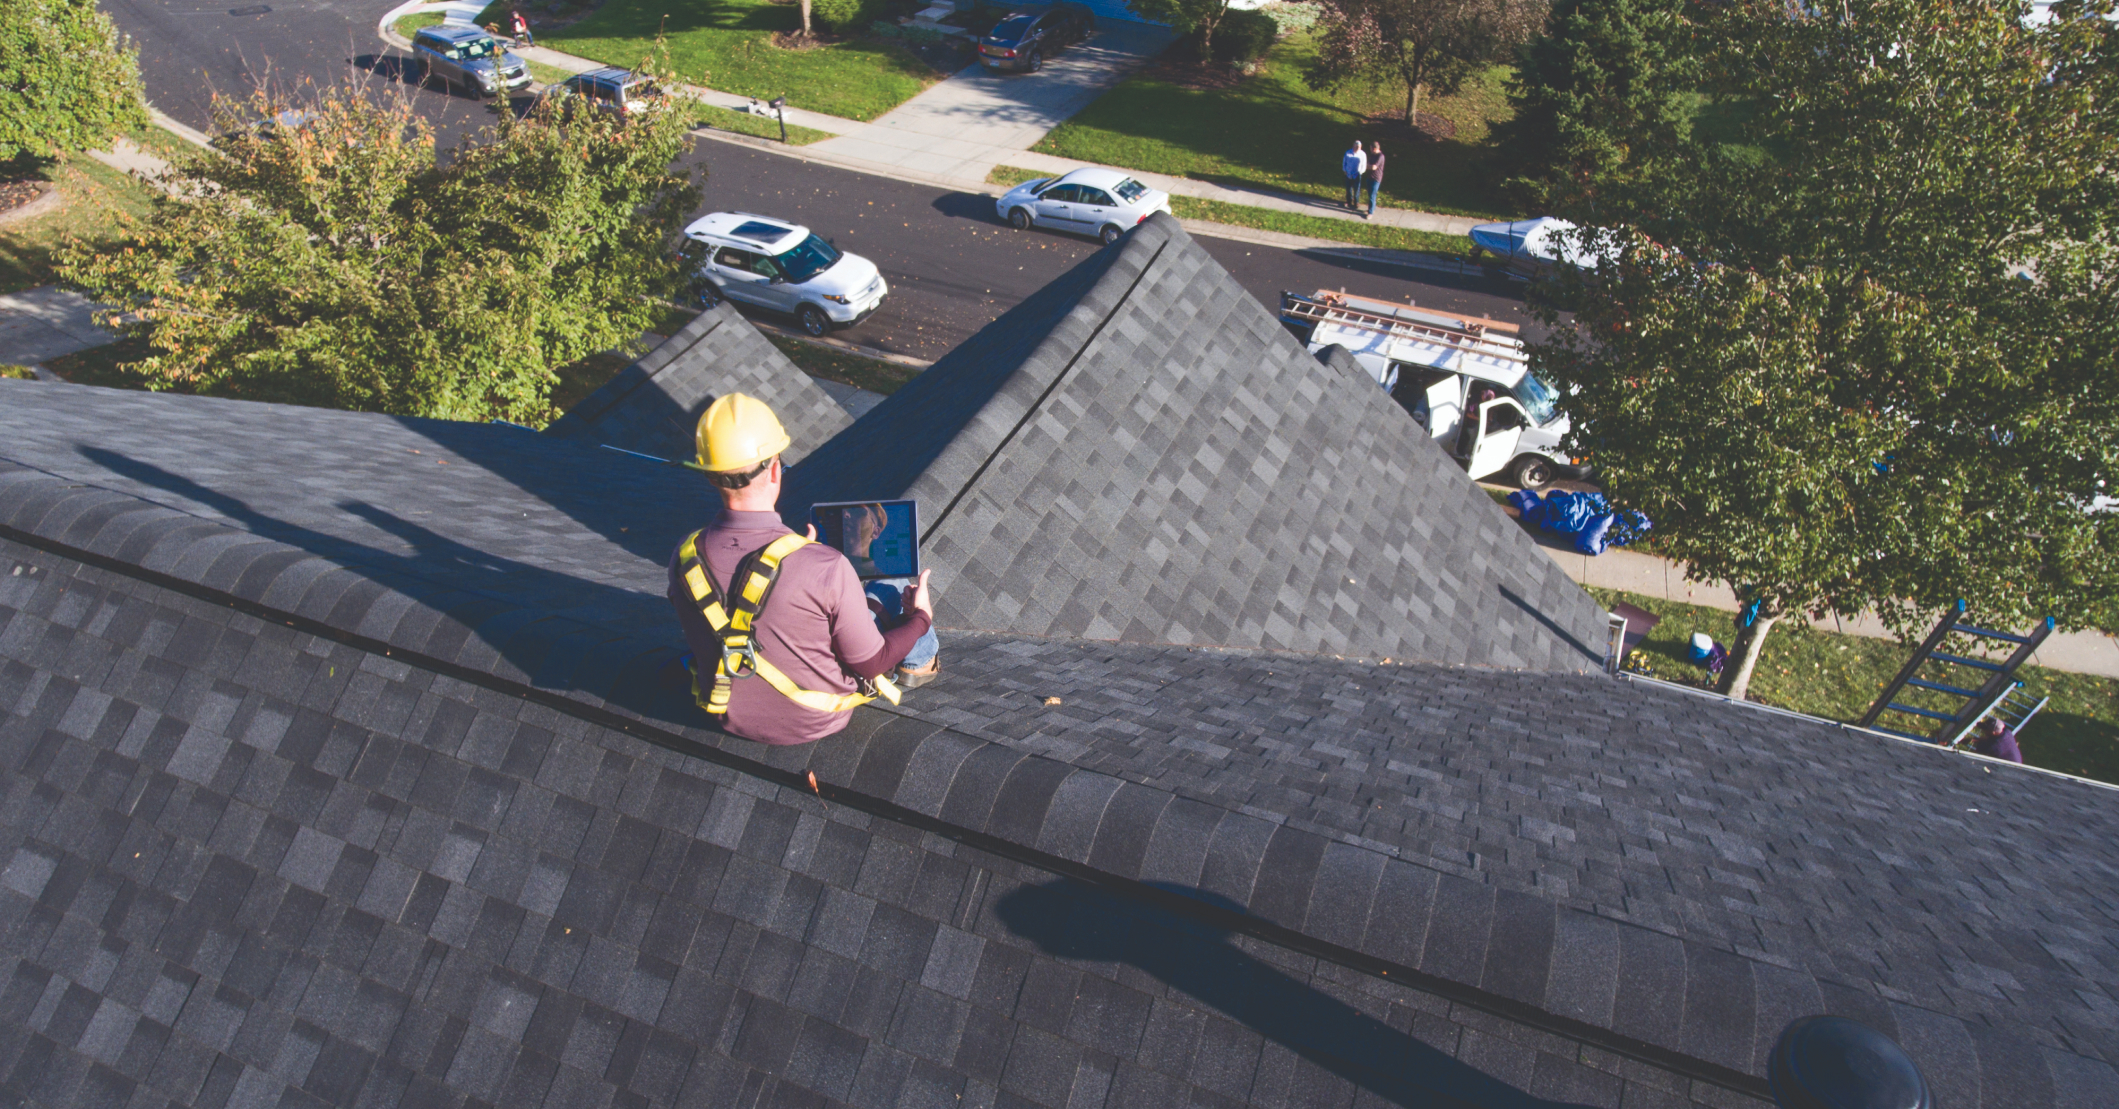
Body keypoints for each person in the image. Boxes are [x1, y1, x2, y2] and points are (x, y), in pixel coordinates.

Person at [666, 394, 940, 745]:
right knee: (892, 583)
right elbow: (872, 663)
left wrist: (798, 556)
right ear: (776, 468)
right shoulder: (825, 566)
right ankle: (921, 663)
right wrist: (920, 617)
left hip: (728, 713)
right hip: (817, 718)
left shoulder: (684, 556)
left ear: (710, 477)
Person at [1342, 140, 1367, 211]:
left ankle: (1356, 202)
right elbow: (1344, 162)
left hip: (1357, 174)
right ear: (1353, 146)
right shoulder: (1348, 153)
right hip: (1348, 174)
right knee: (1348, 188)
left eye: (1359, 147)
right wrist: (1344, 170)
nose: (1357, 148)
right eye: (1356, 146)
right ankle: (1348, 201)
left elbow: (1364, 165)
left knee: (1357, 189)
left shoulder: (1363, 154)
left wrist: (1360, 172)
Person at [1363, 141, 1386, 218]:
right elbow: (1368, 164)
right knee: (1370, 195)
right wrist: (1369, 166)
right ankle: (1372, 208)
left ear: (1374, 148)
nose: (1370, 150)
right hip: (1370, 177)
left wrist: (1368, 166)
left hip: (1376, 178)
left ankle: (1370, 213)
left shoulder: (1381, 156)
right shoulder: (1372, 155)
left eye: (1371, 149)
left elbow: (1374, 167)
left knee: (1372, 195)